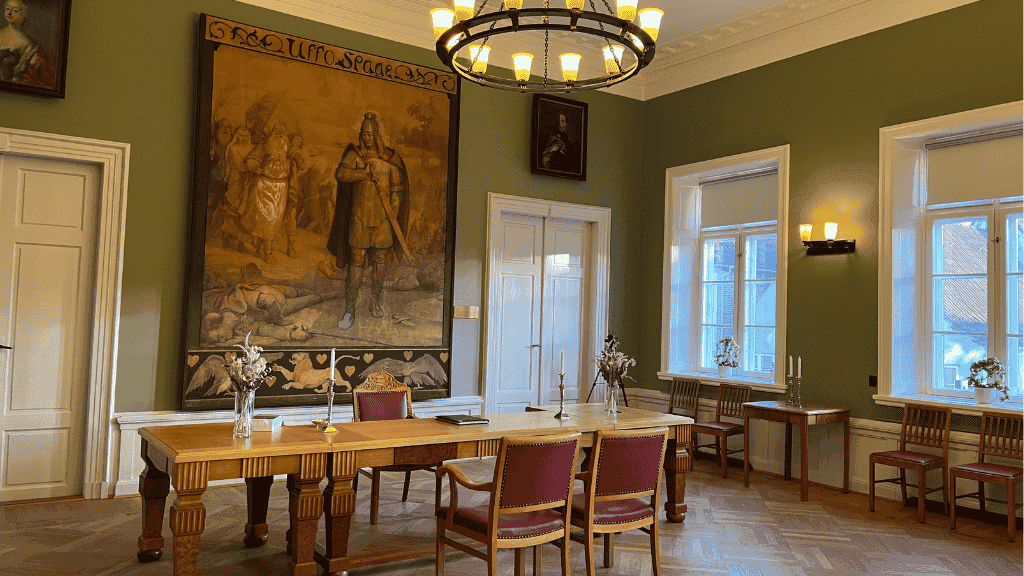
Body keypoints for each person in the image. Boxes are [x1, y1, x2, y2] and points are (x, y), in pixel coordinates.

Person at [327, 112, 410, 330]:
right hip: (360, 217)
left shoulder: (390, 160)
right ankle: (350, 309)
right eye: (364, 134)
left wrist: (394, 207)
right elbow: (341, 175)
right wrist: (363, 174)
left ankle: (376, 301)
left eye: (371, 134)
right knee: (356, 261)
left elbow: (396, 190)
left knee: (380, 261)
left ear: (377, 135)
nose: (367, 138)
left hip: (383, 220)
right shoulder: (355, 157)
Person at [240, 123, 290, 264]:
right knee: (265, 219)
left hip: (281, 188)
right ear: (271, 135)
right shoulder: (264, 147)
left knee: (274, 220)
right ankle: (267, 252)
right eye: (277, 132)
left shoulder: (286, 149)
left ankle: (262, 247)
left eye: (282, 132)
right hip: (263, 187)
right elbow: (250, 161)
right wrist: (256, 167)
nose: (280, 134)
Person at [0, 0, 53, 88]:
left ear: (23, 15)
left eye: (15, 10)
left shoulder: (28, 43)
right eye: (7, 9)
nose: (9, 13)